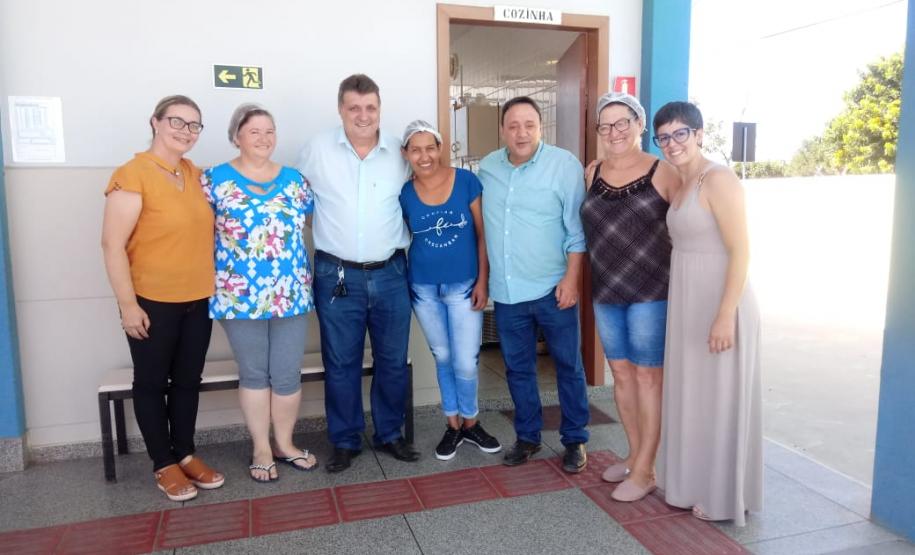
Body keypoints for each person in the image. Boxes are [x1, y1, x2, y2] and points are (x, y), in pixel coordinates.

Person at [101, 95, 224, 501]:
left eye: (194, 125)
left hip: (198, 299)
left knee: (188, 381)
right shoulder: (133, 174)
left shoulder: (194, 173)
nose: (185, 131)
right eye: (177, 121)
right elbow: (112, 246)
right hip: (151, 301)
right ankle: (163, 463)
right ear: (155, 122)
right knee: (152, 382)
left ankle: (185, 453)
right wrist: (127, 305)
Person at [297, 74, 419, 473]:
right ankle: (346, 440)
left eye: (370, 108)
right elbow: (301, 205)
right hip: (337, 276)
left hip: (391, 273)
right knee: (341, 362)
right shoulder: (317, 149)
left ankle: (390, 434)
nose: (363, 116)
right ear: (341, 109)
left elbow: (421, 197)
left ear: (379, 109)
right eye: (354, 108)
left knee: (392, 360)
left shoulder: (400, 153)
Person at [652, 101, 762, 525]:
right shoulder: (681, 182)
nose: (673, 143)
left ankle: (722, 496)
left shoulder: (719, 179)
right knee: (696, 395)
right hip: (689, 301)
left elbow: (741, 251)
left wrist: (724, 315)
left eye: (681, 133)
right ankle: (694, 482)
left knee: (720, 398)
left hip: (722, 301)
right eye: (664, 136)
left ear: (699, 134)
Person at [203, 104, 318, 482]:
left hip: (291, 293)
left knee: (286, 374)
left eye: (270, 131)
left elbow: (310, 227)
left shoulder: (296, 181)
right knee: (254, 373)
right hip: (238, 294)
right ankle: (261, 448)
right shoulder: (214, 180)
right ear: (236, 136)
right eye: (254, 131)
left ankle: (285, 444)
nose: (264, 138)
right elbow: (199, 236)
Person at [478, 96, 590, 473]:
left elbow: (577, 231)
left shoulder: (563, 165)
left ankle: (574, 439)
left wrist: (571, 280)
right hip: (508, 293)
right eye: (513, 125)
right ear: (502, 130)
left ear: (541, 127)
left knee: (568, 366)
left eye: (529, 124)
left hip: (553, 288)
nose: (521, 132)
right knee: (518, 368)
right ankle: (528, 437)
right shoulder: (488, 168)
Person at [580, 93, 679, 502]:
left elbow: (689, 224)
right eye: (606, 126)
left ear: (639, 125)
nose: (615, 132)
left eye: (623, 123)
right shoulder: (592, 172)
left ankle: (645, 471)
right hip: (606, 290)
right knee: (620, 375)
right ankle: (635, 454)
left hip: (651, 292)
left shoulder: (664, 171)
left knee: (646, 377)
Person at [398, 120, 501, 461]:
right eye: (416, 149)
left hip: (464, 285)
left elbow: (484, 234)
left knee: (466, 362)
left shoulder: (467, 181)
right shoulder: (405, 193)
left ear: (440, 148)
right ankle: (453, 425)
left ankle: (471, 423)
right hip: (423, 288)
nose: (424, 156)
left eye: (430, 147)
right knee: (442, 356)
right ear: (406, 154)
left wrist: (483, 281)